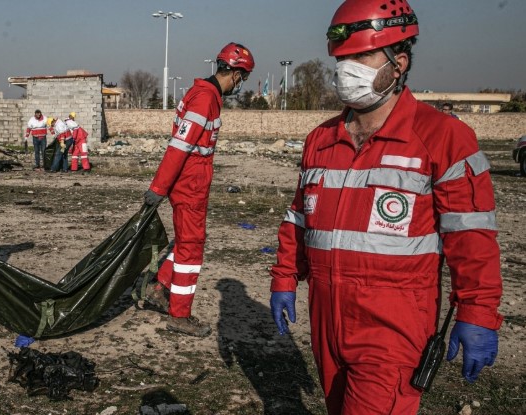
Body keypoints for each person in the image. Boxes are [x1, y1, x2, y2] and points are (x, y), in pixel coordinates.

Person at [268, 1, 502, 413]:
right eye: (342, 58)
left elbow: (471, 237)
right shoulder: (320, 140)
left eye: (361, 56)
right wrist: (286, 277)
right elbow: (299, 217)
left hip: (393, 329)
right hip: (326, 318)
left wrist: (477, 310)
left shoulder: (444, 137)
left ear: (399, 63)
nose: (346, 69)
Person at [143, 43, 255, 337]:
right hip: (190, 184)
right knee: (191, 250)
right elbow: (180, 146)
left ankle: (160, 286)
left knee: (186, 241)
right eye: (242, 78)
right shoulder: (206, 98)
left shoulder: (201, 93)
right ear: (235, 74)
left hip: (189, 182)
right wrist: (159, 186)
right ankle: (179, 315)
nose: (239, 84)